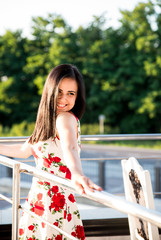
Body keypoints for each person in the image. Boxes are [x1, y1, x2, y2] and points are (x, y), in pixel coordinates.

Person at [0, 64, 102, 240]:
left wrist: (77, 174)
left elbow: (69, 147)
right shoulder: (47, 121)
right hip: (39, 200)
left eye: (71, 93)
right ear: (50, 91)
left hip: (57, 204)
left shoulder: (65, 118)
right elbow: (23, 151)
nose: (64, 99)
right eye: (59, 92)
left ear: (78, 97)